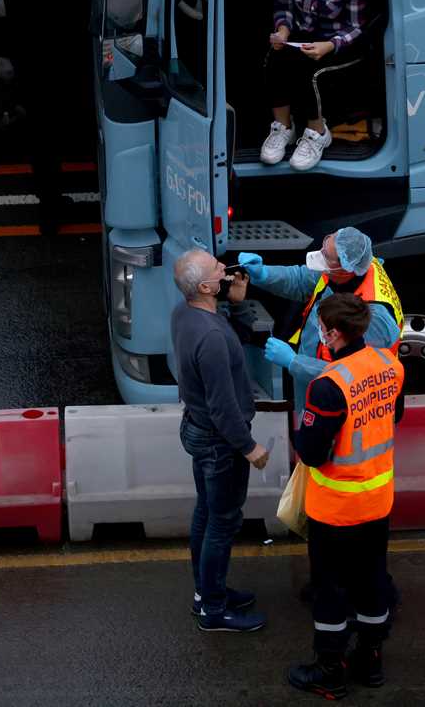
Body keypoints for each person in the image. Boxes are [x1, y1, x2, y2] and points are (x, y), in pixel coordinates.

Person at [288, 293, 404, 699]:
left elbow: (312, 453)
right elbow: (395, 415)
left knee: (330, 590)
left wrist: (301, 433)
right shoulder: (390, 366)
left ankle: (330, 669)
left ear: (333, 333)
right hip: (377, 501)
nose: (319, 332)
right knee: (372, 582)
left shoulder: (328, 386)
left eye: (321, 326)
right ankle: (370, 659)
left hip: (335, 510)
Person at [170, 249, 272, 633]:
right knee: (222, 523)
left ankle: (206, 592)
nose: (225, 268)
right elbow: (224, 407)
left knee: (206, 514)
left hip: (196, 430)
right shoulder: (211, 338)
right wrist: (250, 448)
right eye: (217, 268)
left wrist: (237, 304)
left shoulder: (186, 314)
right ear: (206, 286)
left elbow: (229, 331)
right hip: (219, 442)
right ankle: (214, 609)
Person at [0, 0, 91, 233]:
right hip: (54, 59)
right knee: (53, 131)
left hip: (23, 49)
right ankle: (51, 213)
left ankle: (47, 195)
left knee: (40, 130)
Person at [237, 226, 403, 416]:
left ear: (345, 268)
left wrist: (294, 362)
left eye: (327, 255)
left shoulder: (373, 319)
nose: (320, 256)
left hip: (348, 405)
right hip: (317, 382)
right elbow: (300, 280)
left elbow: (355, 376)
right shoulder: (343, 270)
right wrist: (263, 274)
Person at [260, 0, 369, 172]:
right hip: (302, 37)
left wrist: (329, 45)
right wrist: (283, 31)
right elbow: (283, 6)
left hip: (340, 42)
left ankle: (317, 132)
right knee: (274, 59)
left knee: (310, 72)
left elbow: (357, 27)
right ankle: (283, 129)